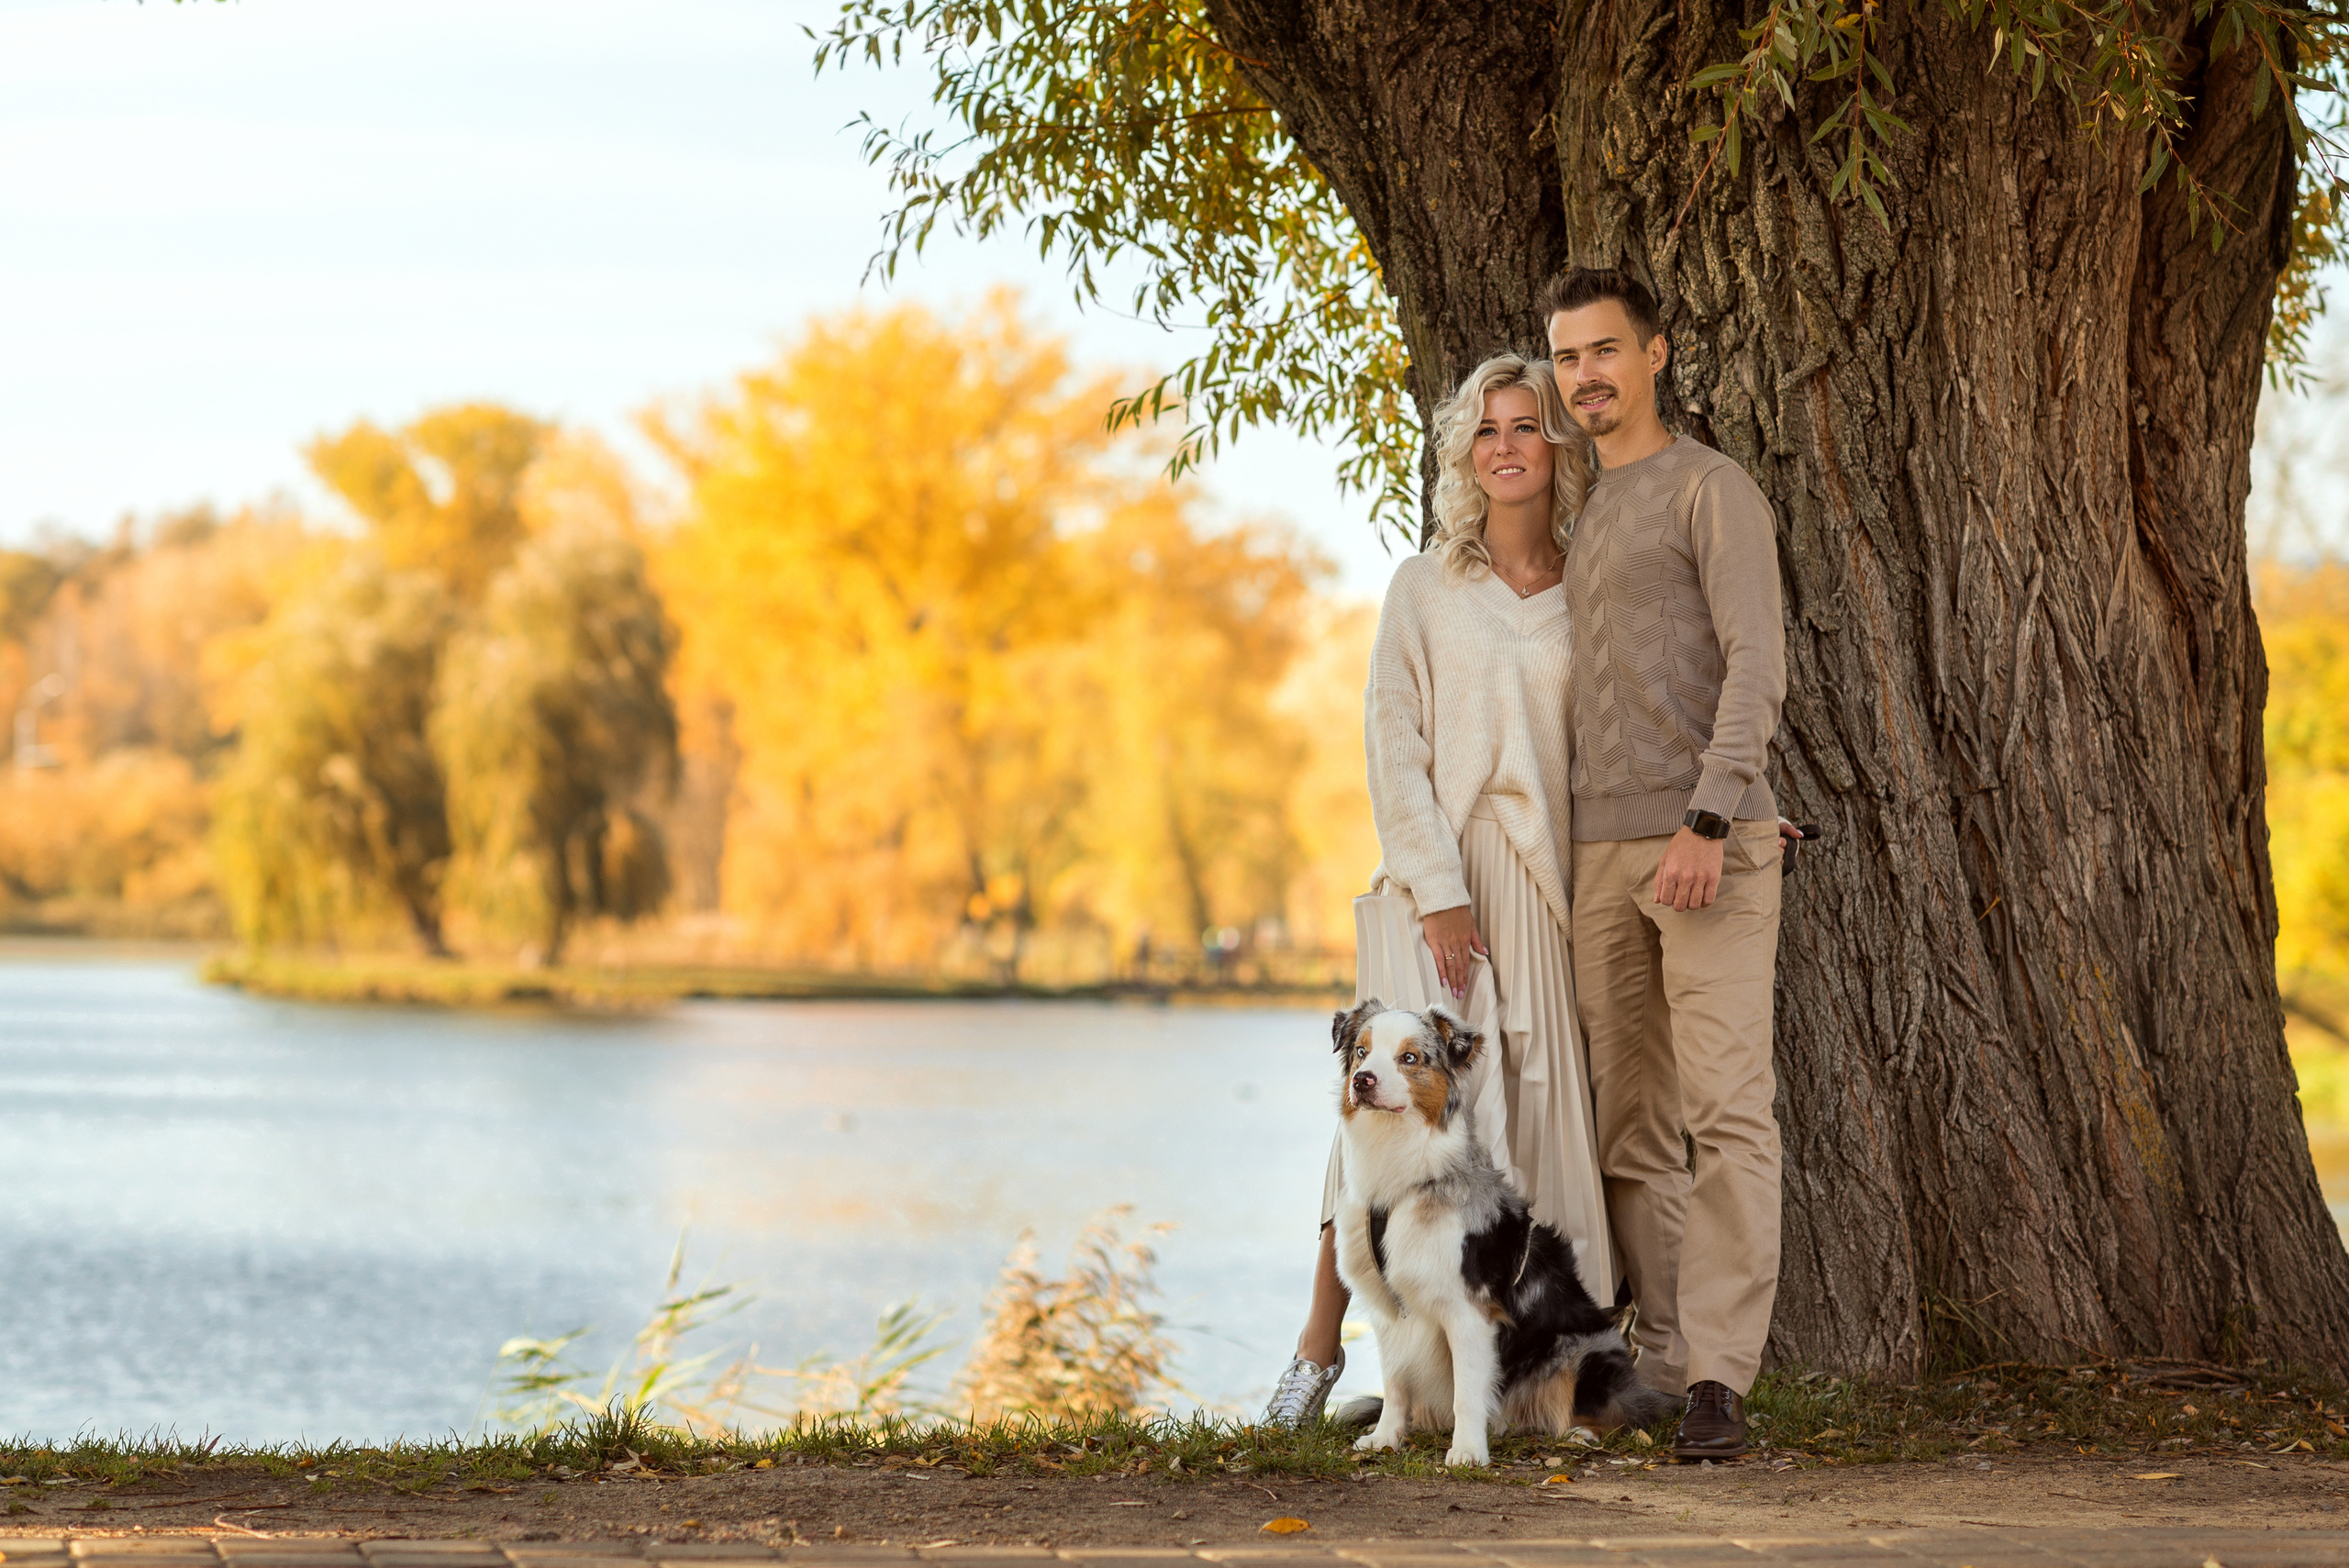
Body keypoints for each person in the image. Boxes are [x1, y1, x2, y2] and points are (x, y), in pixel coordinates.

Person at [1262, 352, 1618, 1429]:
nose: (1505, 445)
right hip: (1436, 888)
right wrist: (1436, 886)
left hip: (1544, 890)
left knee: (1531, 1125)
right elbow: (1393, 742)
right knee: (1385, 1124)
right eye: (1485, 429)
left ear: (1557, 445)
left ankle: (1514, 1384)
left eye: (1526, 425)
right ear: (1464, 452)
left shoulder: (1592, 587)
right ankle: (1315, 1355)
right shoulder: (1423, 586)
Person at [1542, 265, 1788, 1461]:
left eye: (1605, 350)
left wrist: (1710, 815)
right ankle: (1661, 1359)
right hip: (1598, 851)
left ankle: (1720, 1380)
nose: (1584, 375)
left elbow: (1757, 663)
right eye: (1567, 357)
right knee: (1629, 1121)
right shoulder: (1584, 513)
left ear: (1656, 354)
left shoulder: (1711, 487)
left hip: (1704, 847)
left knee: (1727, 1109)